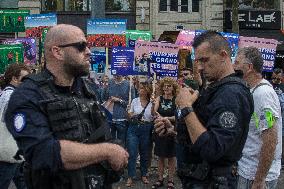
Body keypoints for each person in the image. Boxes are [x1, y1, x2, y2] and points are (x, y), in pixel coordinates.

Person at [5, 24, 129, 189]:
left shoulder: (86, 89)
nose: (89, 52)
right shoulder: (28, 95)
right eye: (80, 46)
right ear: (57, 52)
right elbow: (45, 153)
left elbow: (102, 134)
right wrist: (107, 151)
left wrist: (116, 150)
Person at [154, 31, 254, 189]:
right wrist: (175, 131)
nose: (199, 67)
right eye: (198, 61)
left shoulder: (231, 94)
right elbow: (203, 130)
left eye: (204, 60)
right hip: (200, 179)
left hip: (214, 181)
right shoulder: (215, 88)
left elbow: (212, 148)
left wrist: (186, 108)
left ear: (223, 55)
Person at [234, 47, 282, 189]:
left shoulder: (263, 95)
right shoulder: (252, 91)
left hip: (255, 176)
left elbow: (271, 138)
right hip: (248, 171)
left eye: (237, 62)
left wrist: (260, 179)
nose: (233, 66)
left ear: (249, 67)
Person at [0, 63, 31, 189]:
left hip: (13, 149)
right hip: (10, 149)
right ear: (14, 78)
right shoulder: (13, 96)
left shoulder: (5, 94)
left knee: (21, 179)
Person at [151, 77, 178, 189]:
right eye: (164, 86)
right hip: (160, 130)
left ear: (173, 88)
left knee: (171, 156)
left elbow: (178, 116)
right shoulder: (159, 98)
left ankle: (171, 180)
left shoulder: (176, 99)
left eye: (169, 86)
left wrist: (166, 118)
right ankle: (160, 178)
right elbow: (154, 113)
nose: (166, 88)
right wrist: (153, 105)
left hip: (171, 130)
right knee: (160, 156)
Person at [126, 82, 153, 187]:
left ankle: (144, 174)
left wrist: (154, 105)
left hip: (146, 128)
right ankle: (130, 175)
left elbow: (153, 116)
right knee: (132, 153)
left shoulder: (152, 102)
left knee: (145, 153)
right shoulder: (134, 100)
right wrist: (130, 114)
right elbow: (129, 115)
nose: (139, 90)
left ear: (147, 90)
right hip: (133, 128)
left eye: (141, 88)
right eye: (139, 88)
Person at [102, 74, 133, 147]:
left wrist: (119, 100)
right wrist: (104, 88)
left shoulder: (128, 84)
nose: (116, 75)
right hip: (109, 117)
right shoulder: (110, 82)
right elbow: (104, 98)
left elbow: (131, 103)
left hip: (122, 118)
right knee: (110, 144)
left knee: (121, 145)